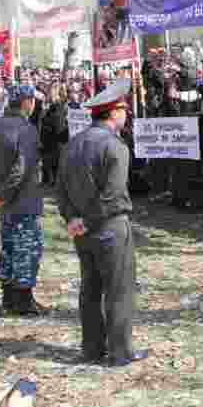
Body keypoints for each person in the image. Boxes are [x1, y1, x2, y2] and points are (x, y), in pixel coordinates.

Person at [55, 78, 149, 367]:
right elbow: (113, 195)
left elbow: (60, 189)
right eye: (124, 110)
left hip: (81, 229)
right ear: (113, 112)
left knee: (90, 289)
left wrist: (73, 218)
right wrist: (85, 219)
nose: (126, 115)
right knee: (119, 289)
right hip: (109, 226)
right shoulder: (115, 146)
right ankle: (120, 351)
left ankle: (92, 348)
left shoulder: (73, 143)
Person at [0, 85, 45, 317]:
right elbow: (22, 168)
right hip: (23, 200)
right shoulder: (26, 129)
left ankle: (8, 297)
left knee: (8, 248)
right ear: (26, 102)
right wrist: (2, 194)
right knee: (26, 248)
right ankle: (23, 301)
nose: (34, 104)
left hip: (4, 203)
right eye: (32, 100)